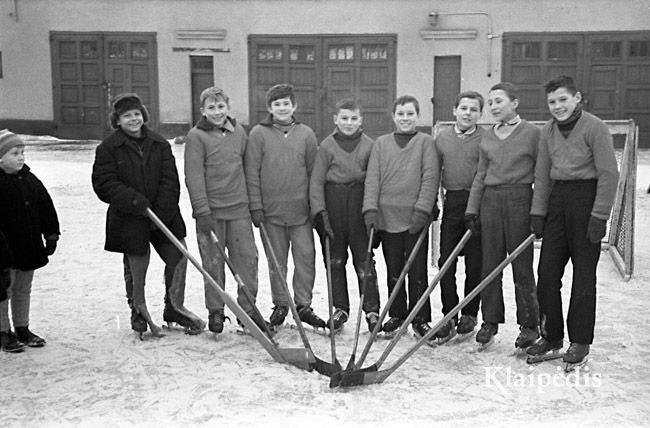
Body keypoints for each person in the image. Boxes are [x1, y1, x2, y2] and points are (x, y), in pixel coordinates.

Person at [92, 93, 205, 338]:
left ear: (143, 115)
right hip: (129, 218)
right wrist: (134, 201)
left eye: (136, 114)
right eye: (126, 116)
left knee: (179, 256)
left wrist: (161, 210)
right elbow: (103, 183)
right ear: (117, 120)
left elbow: (170, 180)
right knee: (137, 265)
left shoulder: (159, 144)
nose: (133, 119)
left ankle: (174, 307)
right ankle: (138, 310)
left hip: (164, 216)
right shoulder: (108, 148)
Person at [527, 75, 619, 364]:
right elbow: (542, 175)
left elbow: (609, 173)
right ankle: (551, 334)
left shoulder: (595, 127)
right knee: (547, 274)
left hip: (586, 202)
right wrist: (538, 212)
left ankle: (579, 340)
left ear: (577, 98)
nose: (557, 106)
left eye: (563, 99)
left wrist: (599, 215)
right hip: (558, 202)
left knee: (583, 277)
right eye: (552, 102)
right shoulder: (548, 132)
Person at [245, 83, 326, 330]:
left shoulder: (306, 134)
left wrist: (315, 208)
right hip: (271, 212)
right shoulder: (259, 134)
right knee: (277, 261)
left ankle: (303, 305)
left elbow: (315, 174)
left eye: (286, 104)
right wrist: (256, 206)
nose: (282, 108)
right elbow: (251, 172)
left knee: (305, 258)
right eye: (277, 104)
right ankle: (281, 303)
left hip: (300, 212)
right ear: (269, 107)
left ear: (294, 106)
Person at [465, 82, 540, 349]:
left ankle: (530, 325)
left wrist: (538, 211)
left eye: (499, 101)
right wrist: (472, 209)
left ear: (515, 102)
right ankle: (490, 320)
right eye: (491, 102)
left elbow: (542, 175)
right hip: (491, 201)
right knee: (490, 265)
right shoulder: (488, 135)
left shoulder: (532, 133)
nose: (494, 106)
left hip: (520, 198)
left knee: (522, 267)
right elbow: (481, 175)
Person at [184, 86, 261, 335]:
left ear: (228, 107)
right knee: (213, 263)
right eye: (211, 108)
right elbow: (193, 176)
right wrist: (201, 210)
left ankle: (248, 310)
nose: (217, 112)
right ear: (202, 111)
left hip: (238, 209)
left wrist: (253, 203)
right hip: (212, 213)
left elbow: (248, 168)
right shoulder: (197, 137)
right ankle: (216, 310)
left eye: (220, 107)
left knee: (247, 260)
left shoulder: (239, 132)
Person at [363, 95, 437, 340]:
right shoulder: (381, 144)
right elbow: (372, 178)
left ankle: (420, 317)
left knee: (417, 270)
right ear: (393, 116)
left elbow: (430, 178)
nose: (405, 119)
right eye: (401, 114)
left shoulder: (426, 142)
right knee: (394, 268)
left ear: (418, 116)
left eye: (410, 114)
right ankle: (397, 314)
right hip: (387, 217)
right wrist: (370, 210)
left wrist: (422, 210)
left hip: (414, 217)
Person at [310, 98, 380, 333]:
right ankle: (340, 308)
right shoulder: (327, 146)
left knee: (364, 259)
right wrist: (319, 212)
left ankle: (371, 309)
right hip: (334, 203)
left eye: (353, 118)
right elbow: (316, 182)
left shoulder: (370, 146)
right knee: (335, 259)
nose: (349, 123)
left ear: (361, 120)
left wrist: (372, 211)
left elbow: (374, 181)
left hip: (359, 204)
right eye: (344, 118)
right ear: (336, 120)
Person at [0, 130, 60, 352]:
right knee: (4, 291)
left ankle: (22, 327)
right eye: (14, 153)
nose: (21, 157)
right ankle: (4, 332)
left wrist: (51, 233)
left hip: (28, 247)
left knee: (23, 289)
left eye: (23, 152)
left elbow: (46, 206)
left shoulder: (30, 179)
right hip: (4, 252)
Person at [432, 91, 485, 341]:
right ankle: (449, 315)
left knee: (475, 261)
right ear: (455, 110)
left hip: (478, 204)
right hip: (453, 202)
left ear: (480, 114)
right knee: (446, 261)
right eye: (463, 108)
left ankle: (470, 313)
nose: (467, 113)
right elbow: (434, 173)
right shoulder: (442, 139)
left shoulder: (485, 138)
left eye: (473, 110)